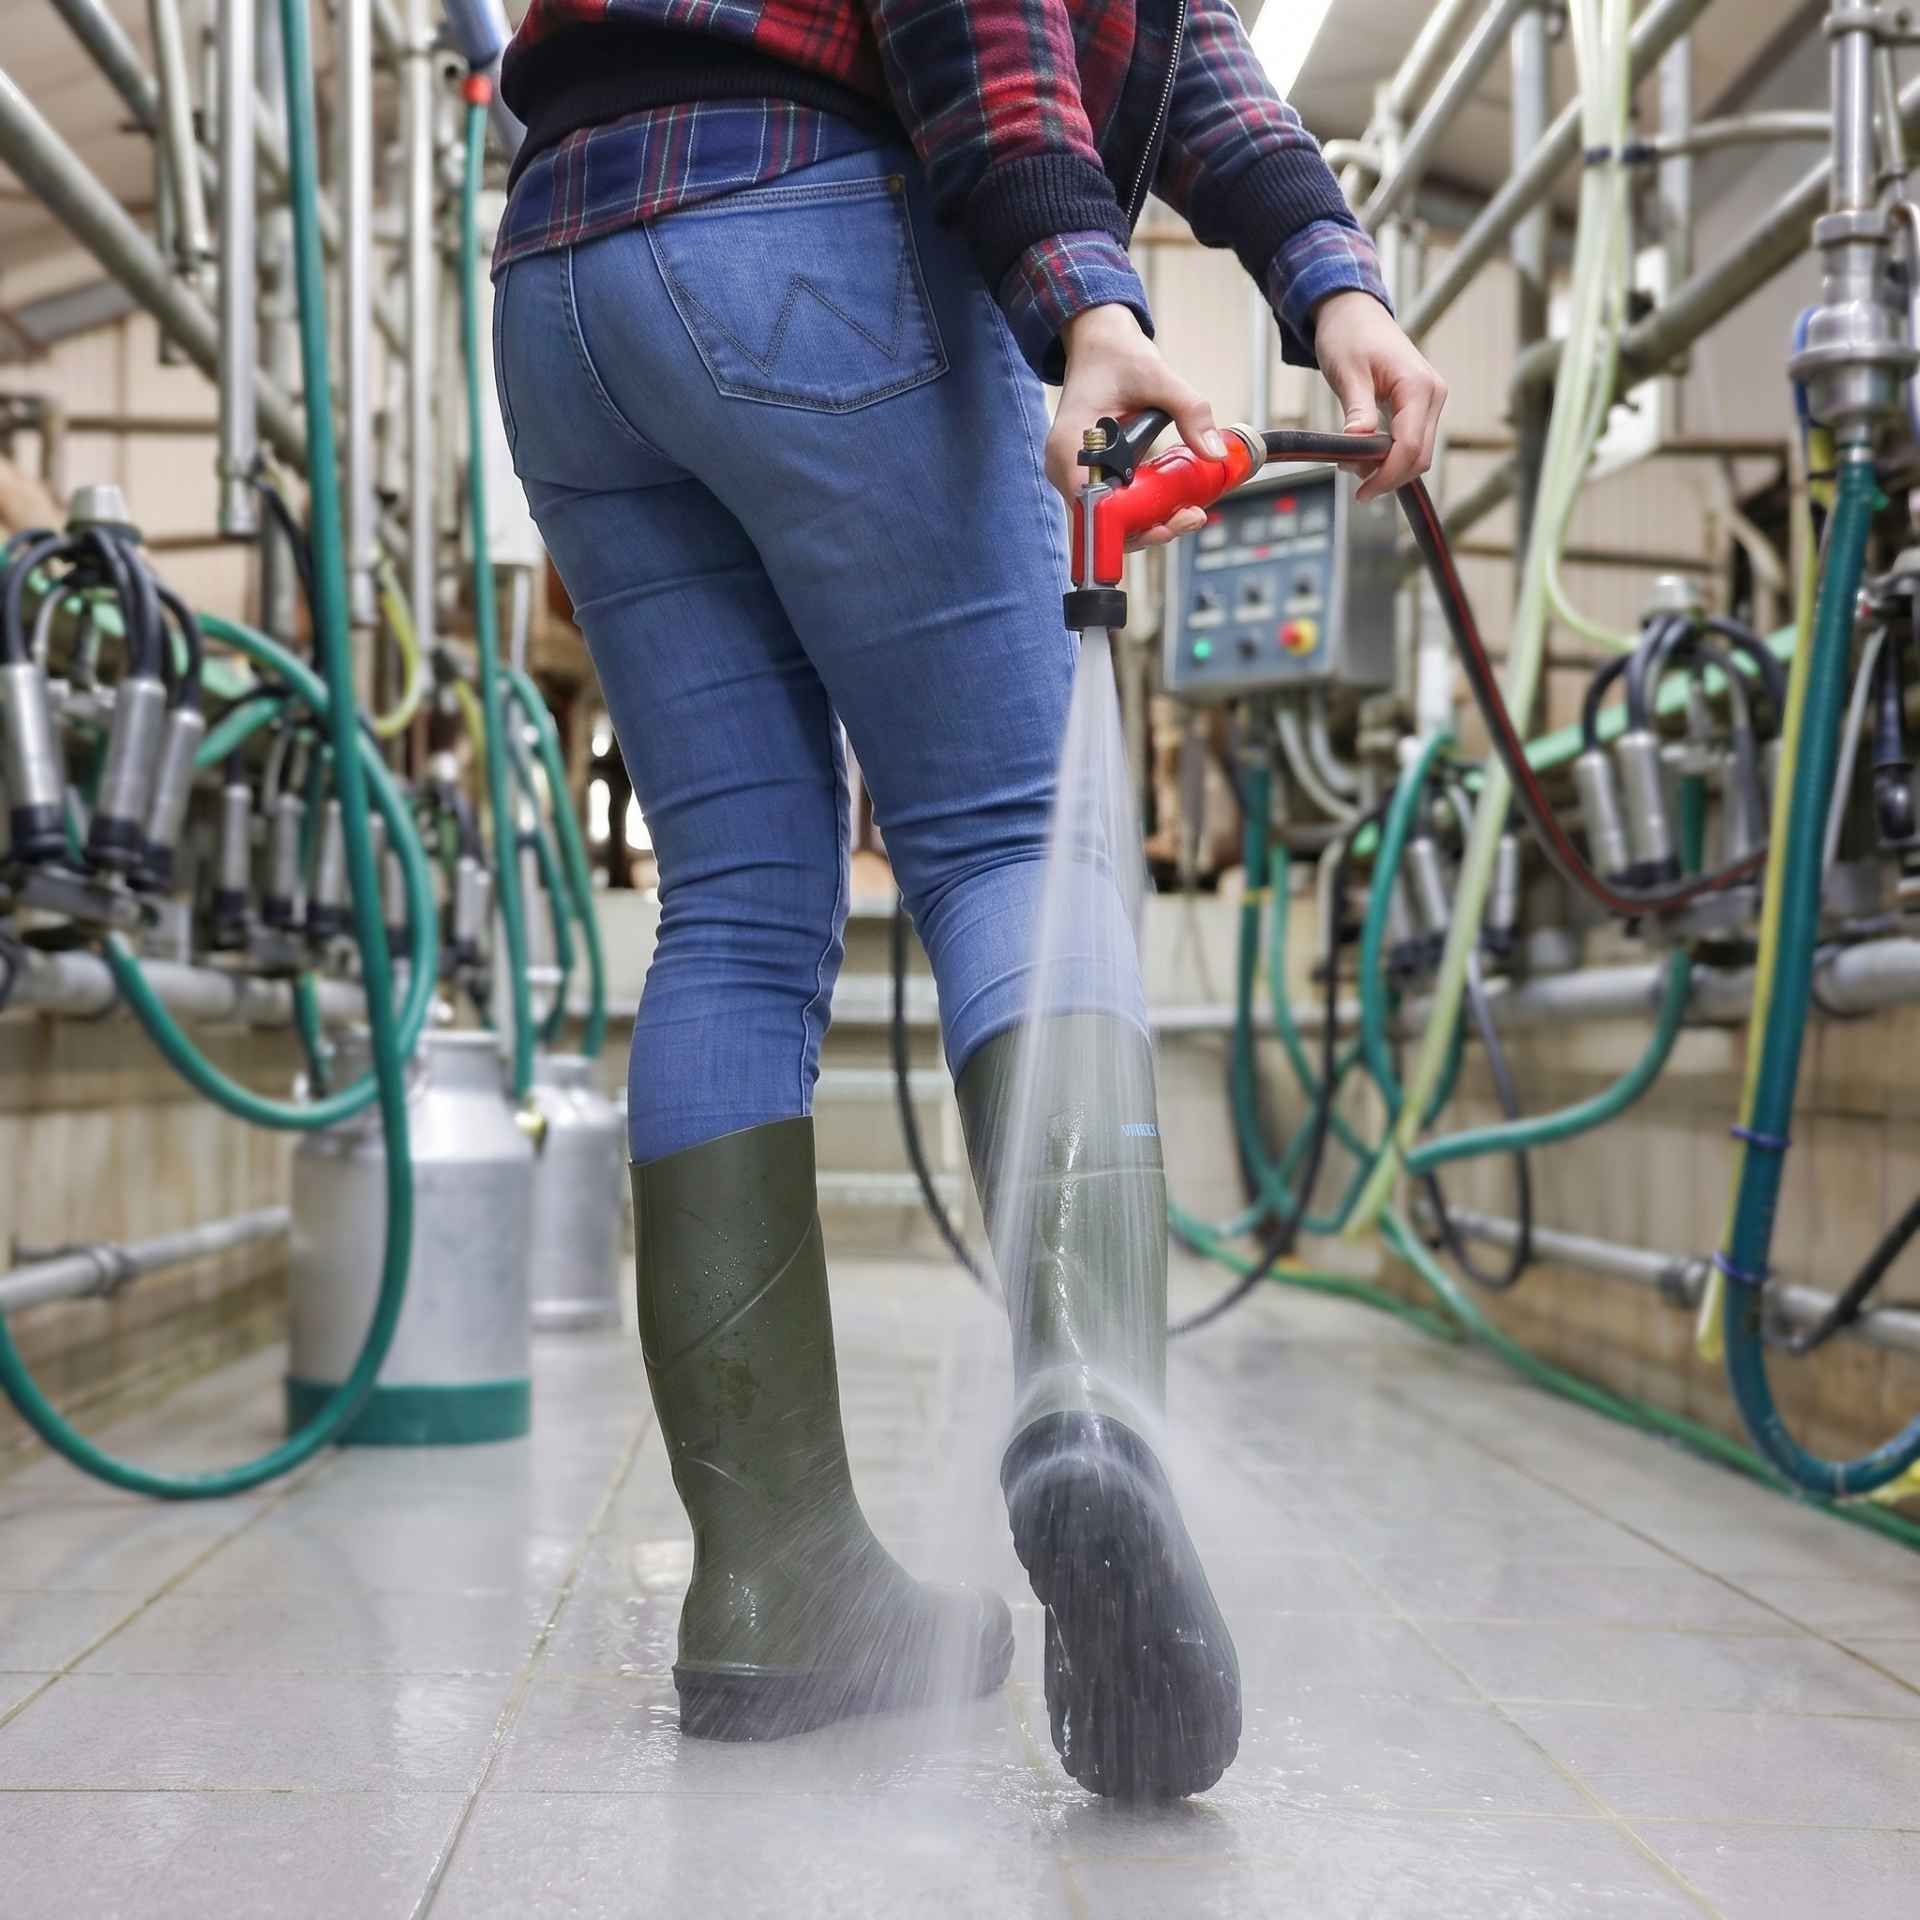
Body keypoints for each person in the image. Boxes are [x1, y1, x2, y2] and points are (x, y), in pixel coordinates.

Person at [492, 0, 1446, 1799]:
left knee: (736, 907)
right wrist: (1089, 297)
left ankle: (774, 1583)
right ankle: (1092, 1417)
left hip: (563, 272)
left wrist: (1327, 274)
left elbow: (1178, 31)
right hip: (812, 227)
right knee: (1018, 837)